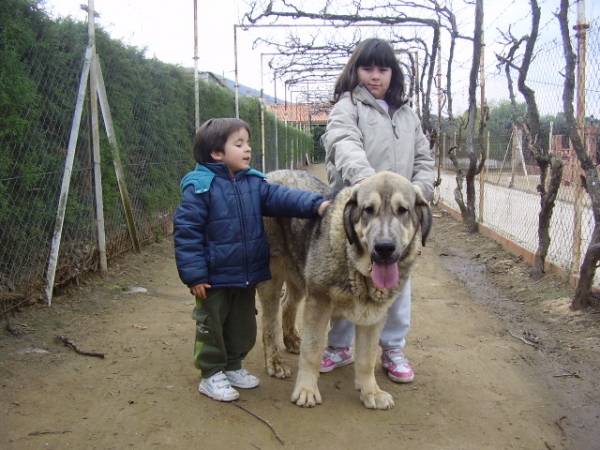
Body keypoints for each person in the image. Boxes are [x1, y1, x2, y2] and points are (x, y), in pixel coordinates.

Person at [174, 118, 330, 402]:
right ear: (216, 153)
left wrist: (316, 204)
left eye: (247, 143)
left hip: (245, 273)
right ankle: (210, 374)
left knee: (242, 325)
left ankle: (233, 366)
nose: (248, 149)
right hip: (212, 277)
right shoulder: (199, 188)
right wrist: (195, 275)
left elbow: (283, 197)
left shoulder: (253, 183)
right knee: (212, 327)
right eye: (239, 144)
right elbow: (187, 233)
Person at [320, 38, 435, 383]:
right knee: (345, 280)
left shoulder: (408, 114)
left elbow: (425, 161)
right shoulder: (348, 106)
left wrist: (418, 195)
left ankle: (393, 348)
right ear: (355, 71)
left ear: (393, 74)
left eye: (382, 69)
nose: (375, 76)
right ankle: (339, 346)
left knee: (397, 282)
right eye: (367, 68)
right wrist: (368, 185)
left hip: (401, 216)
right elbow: (343, 142)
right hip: (361, 213)